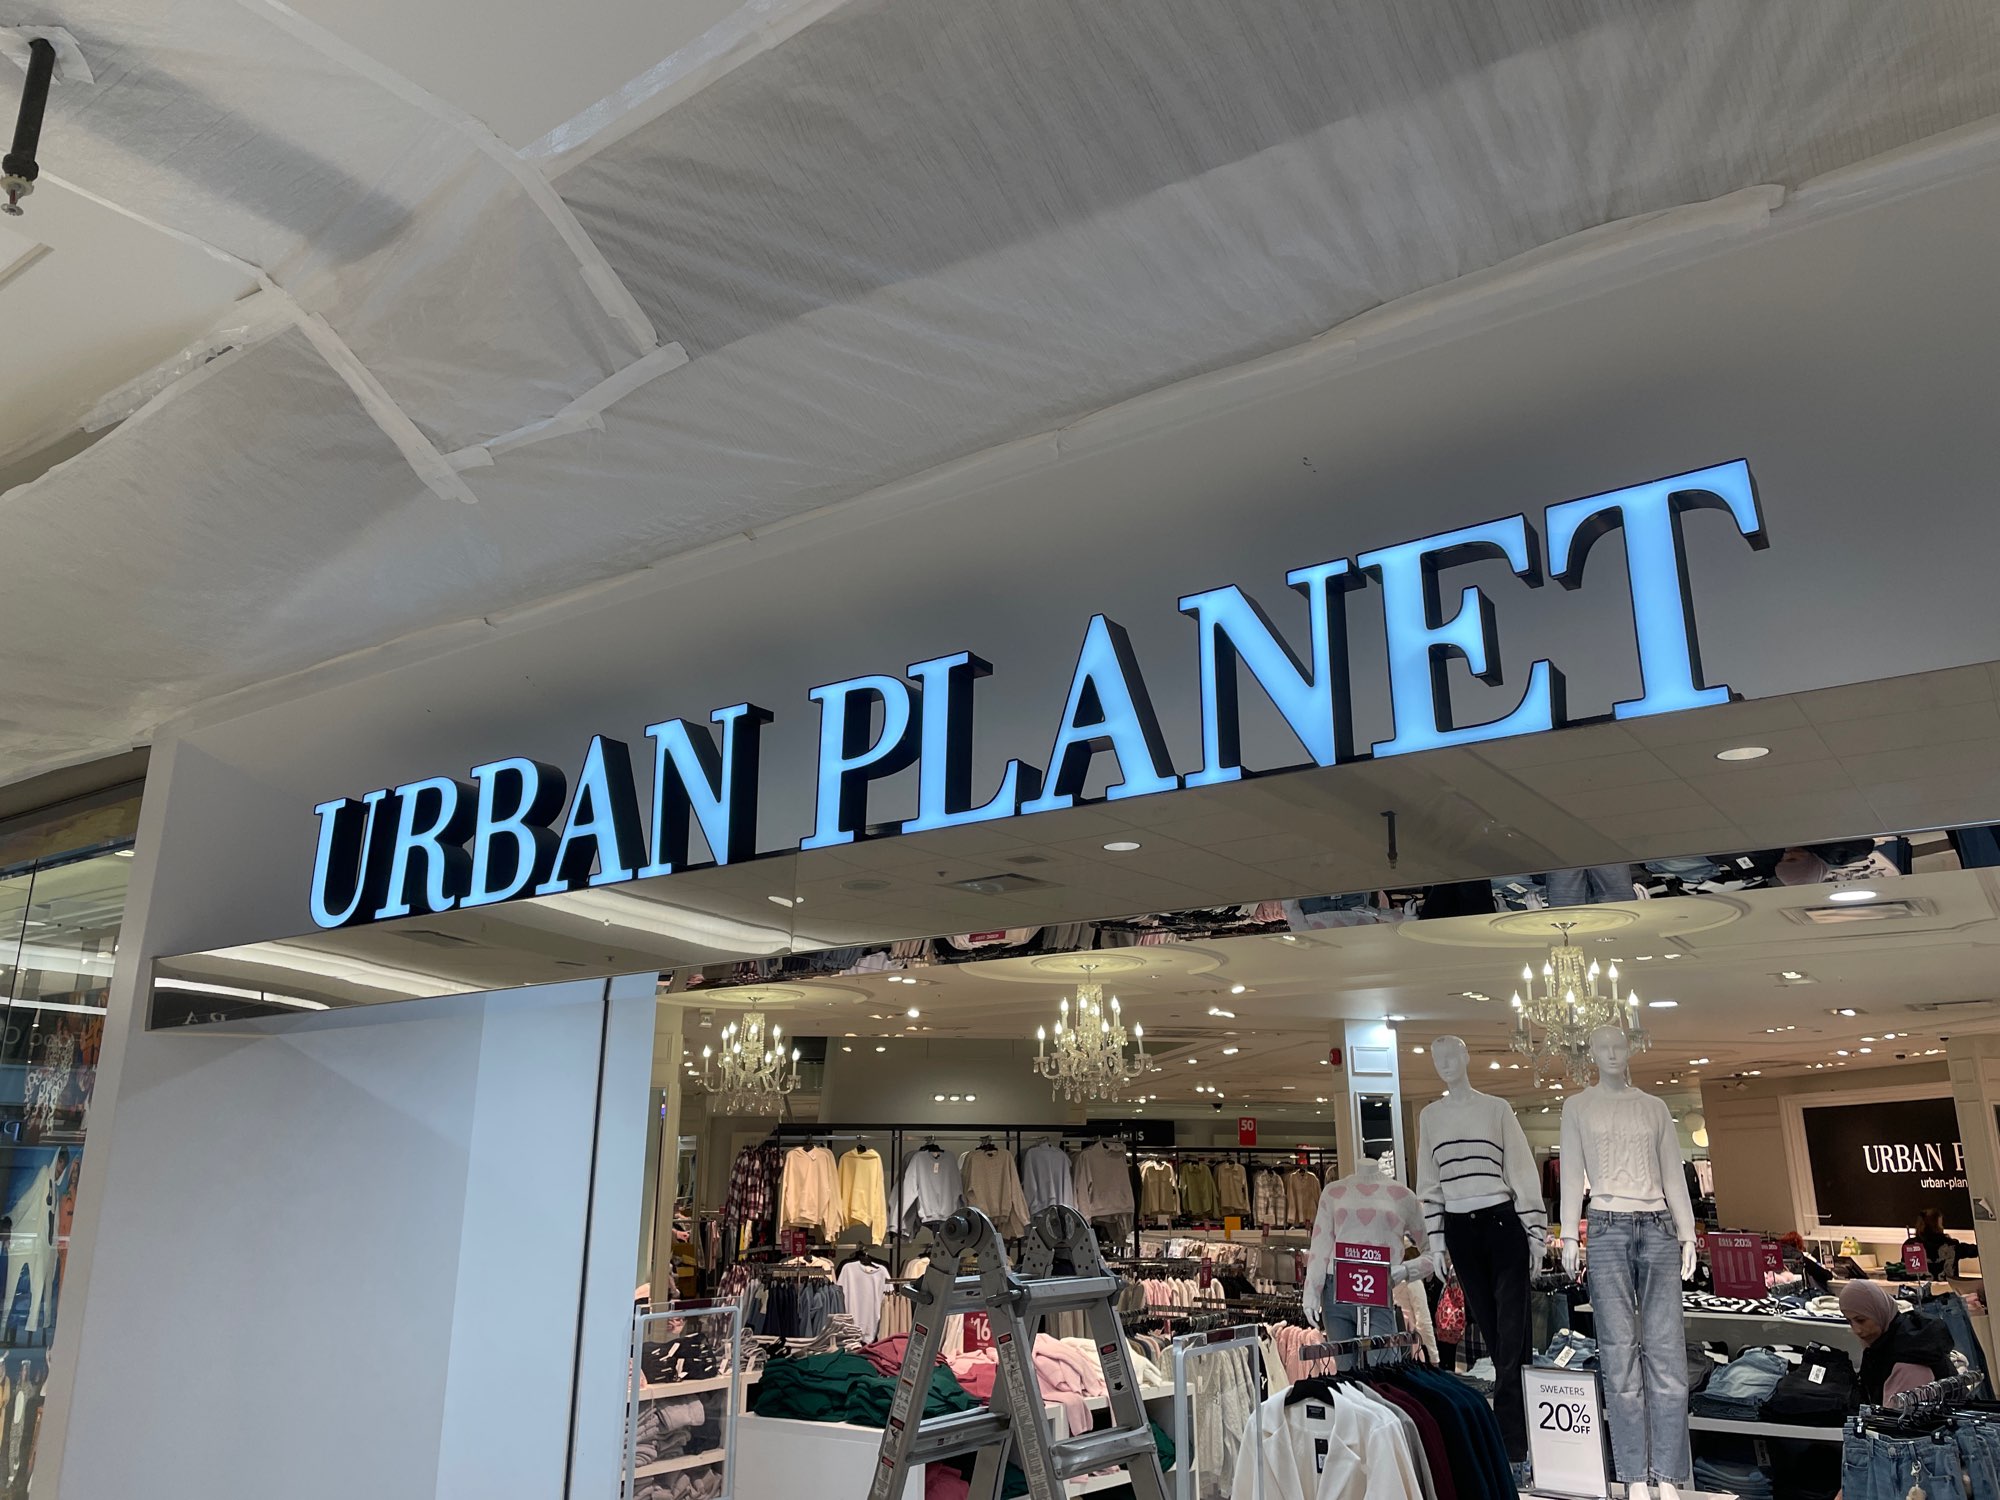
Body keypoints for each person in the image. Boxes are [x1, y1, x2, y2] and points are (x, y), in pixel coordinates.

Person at [1840, 1279, 1956, 1408]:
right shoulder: (1886, 1342)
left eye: (1861, 1320)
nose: (1856, 1330)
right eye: (1849, 1321)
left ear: (1879, 1311)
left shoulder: (1907, 1357)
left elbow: (1896, 1416)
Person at [1915, 1208, 1975, 1277]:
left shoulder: (1910, 1245)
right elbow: (1973, 1250)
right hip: (1949, 1283)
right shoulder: (1952, 1245)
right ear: (1936, 1226)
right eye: (1941, 1224)